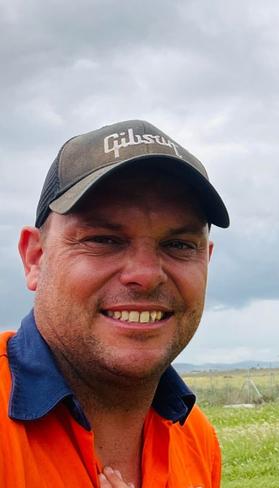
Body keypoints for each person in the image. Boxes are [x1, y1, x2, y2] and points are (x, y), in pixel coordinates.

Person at [0, 120, 230, 487]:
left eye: (180, 245)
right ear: (35, 258)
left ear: (206, 260)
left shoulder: (196, 439)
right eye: (104, 239)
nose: (146, 274)